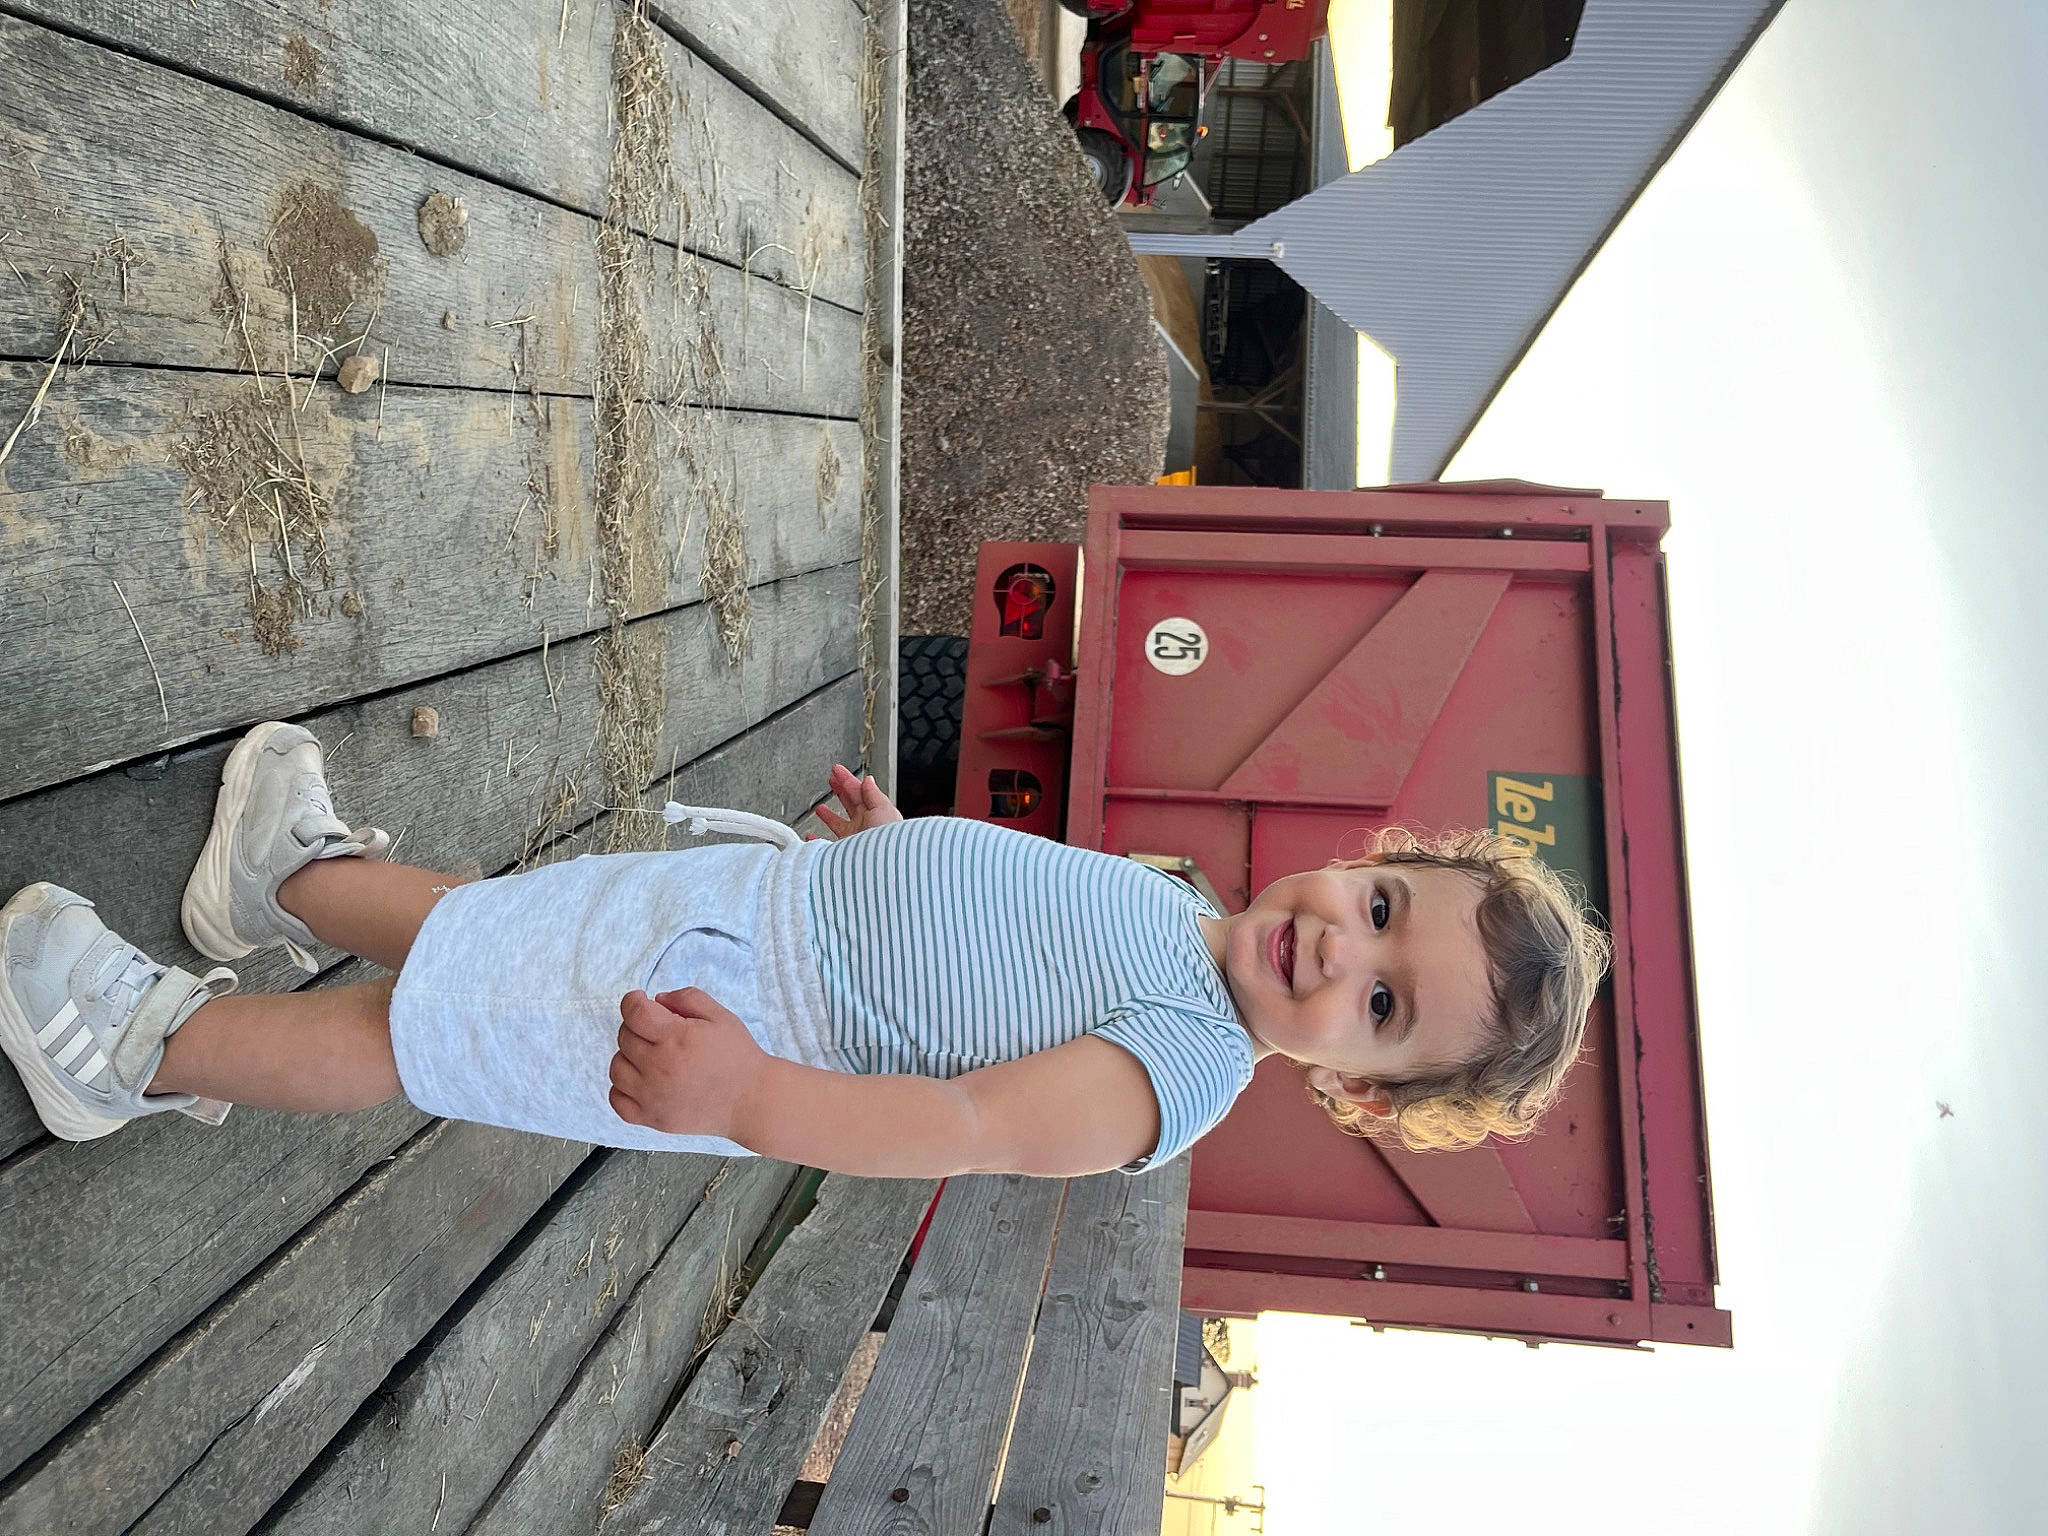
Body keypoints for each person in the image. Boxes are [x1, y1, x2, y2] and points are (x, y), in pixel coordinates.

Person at [0, 721, 1609, 1174]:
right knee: (488, 932)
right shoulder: (1176, 902)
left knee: (426, 1034)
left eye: (1386, 1008)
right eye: (1385, 909)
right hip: (771, 920)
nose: (1343, 954)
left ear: (1364, 1090)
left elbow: (965, 1126)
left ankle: (141, 1054)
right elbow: (986, 952)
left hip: (747, 1021)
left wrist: (749, 1095)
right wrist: (883, 851)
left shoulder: (1177, 1074)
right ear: (1370, 860)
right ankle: (284, 887)